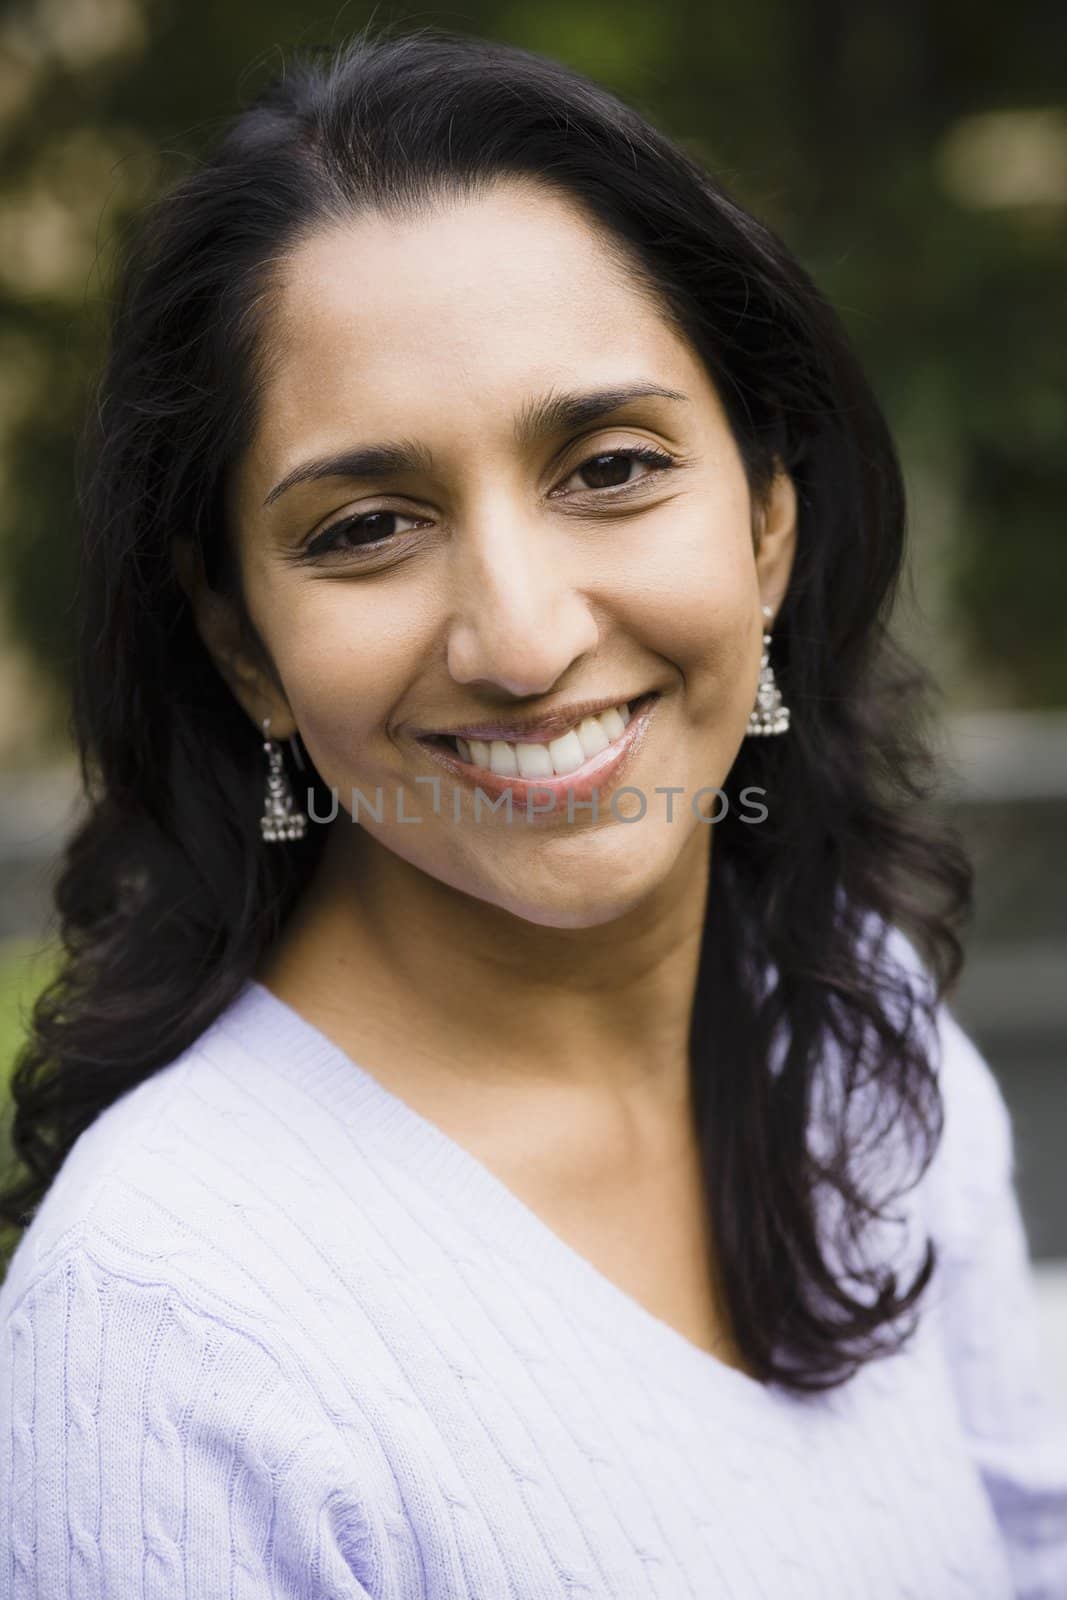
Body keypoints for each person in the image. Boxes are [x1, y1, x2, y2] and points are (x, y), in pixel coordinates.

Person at [1, 25, 1064, 1600]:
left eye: (612, 468)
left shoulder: (849, 1030)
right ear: (245, 649)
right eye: (367, 527)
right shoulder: (172, 1328)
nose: (521, 637)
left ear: (768, 519)